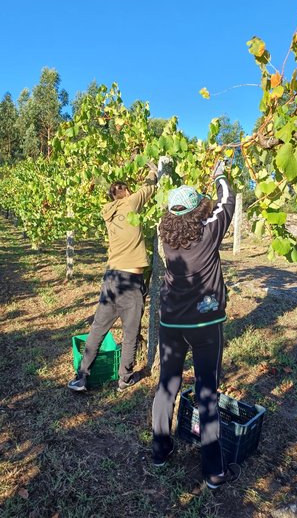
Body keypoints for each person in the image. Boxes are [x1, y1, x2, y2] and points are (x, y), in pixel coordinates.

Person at [151, 162, 241, 489]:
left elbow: (211, 208)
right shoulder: (207, 234)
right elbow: (226, 200)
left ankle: (160, 451)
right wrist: (219, 174)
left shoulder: (166, 238)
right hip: (206, 325)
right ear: (196, 212)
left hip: (171, 323)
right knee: (207, 391)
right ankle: (214, 470)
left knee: (167, 386)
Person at [68, 162, 162, 393]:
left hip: (110, 279)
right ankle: (124, 379)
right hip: (130, 281)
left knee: (98, 329)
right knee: (130, 334)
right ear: (126, 193)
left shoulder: (108, 213)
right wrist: (153, 170)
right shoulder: (130, 202)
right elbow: (149, 188)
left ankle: (81, 377)